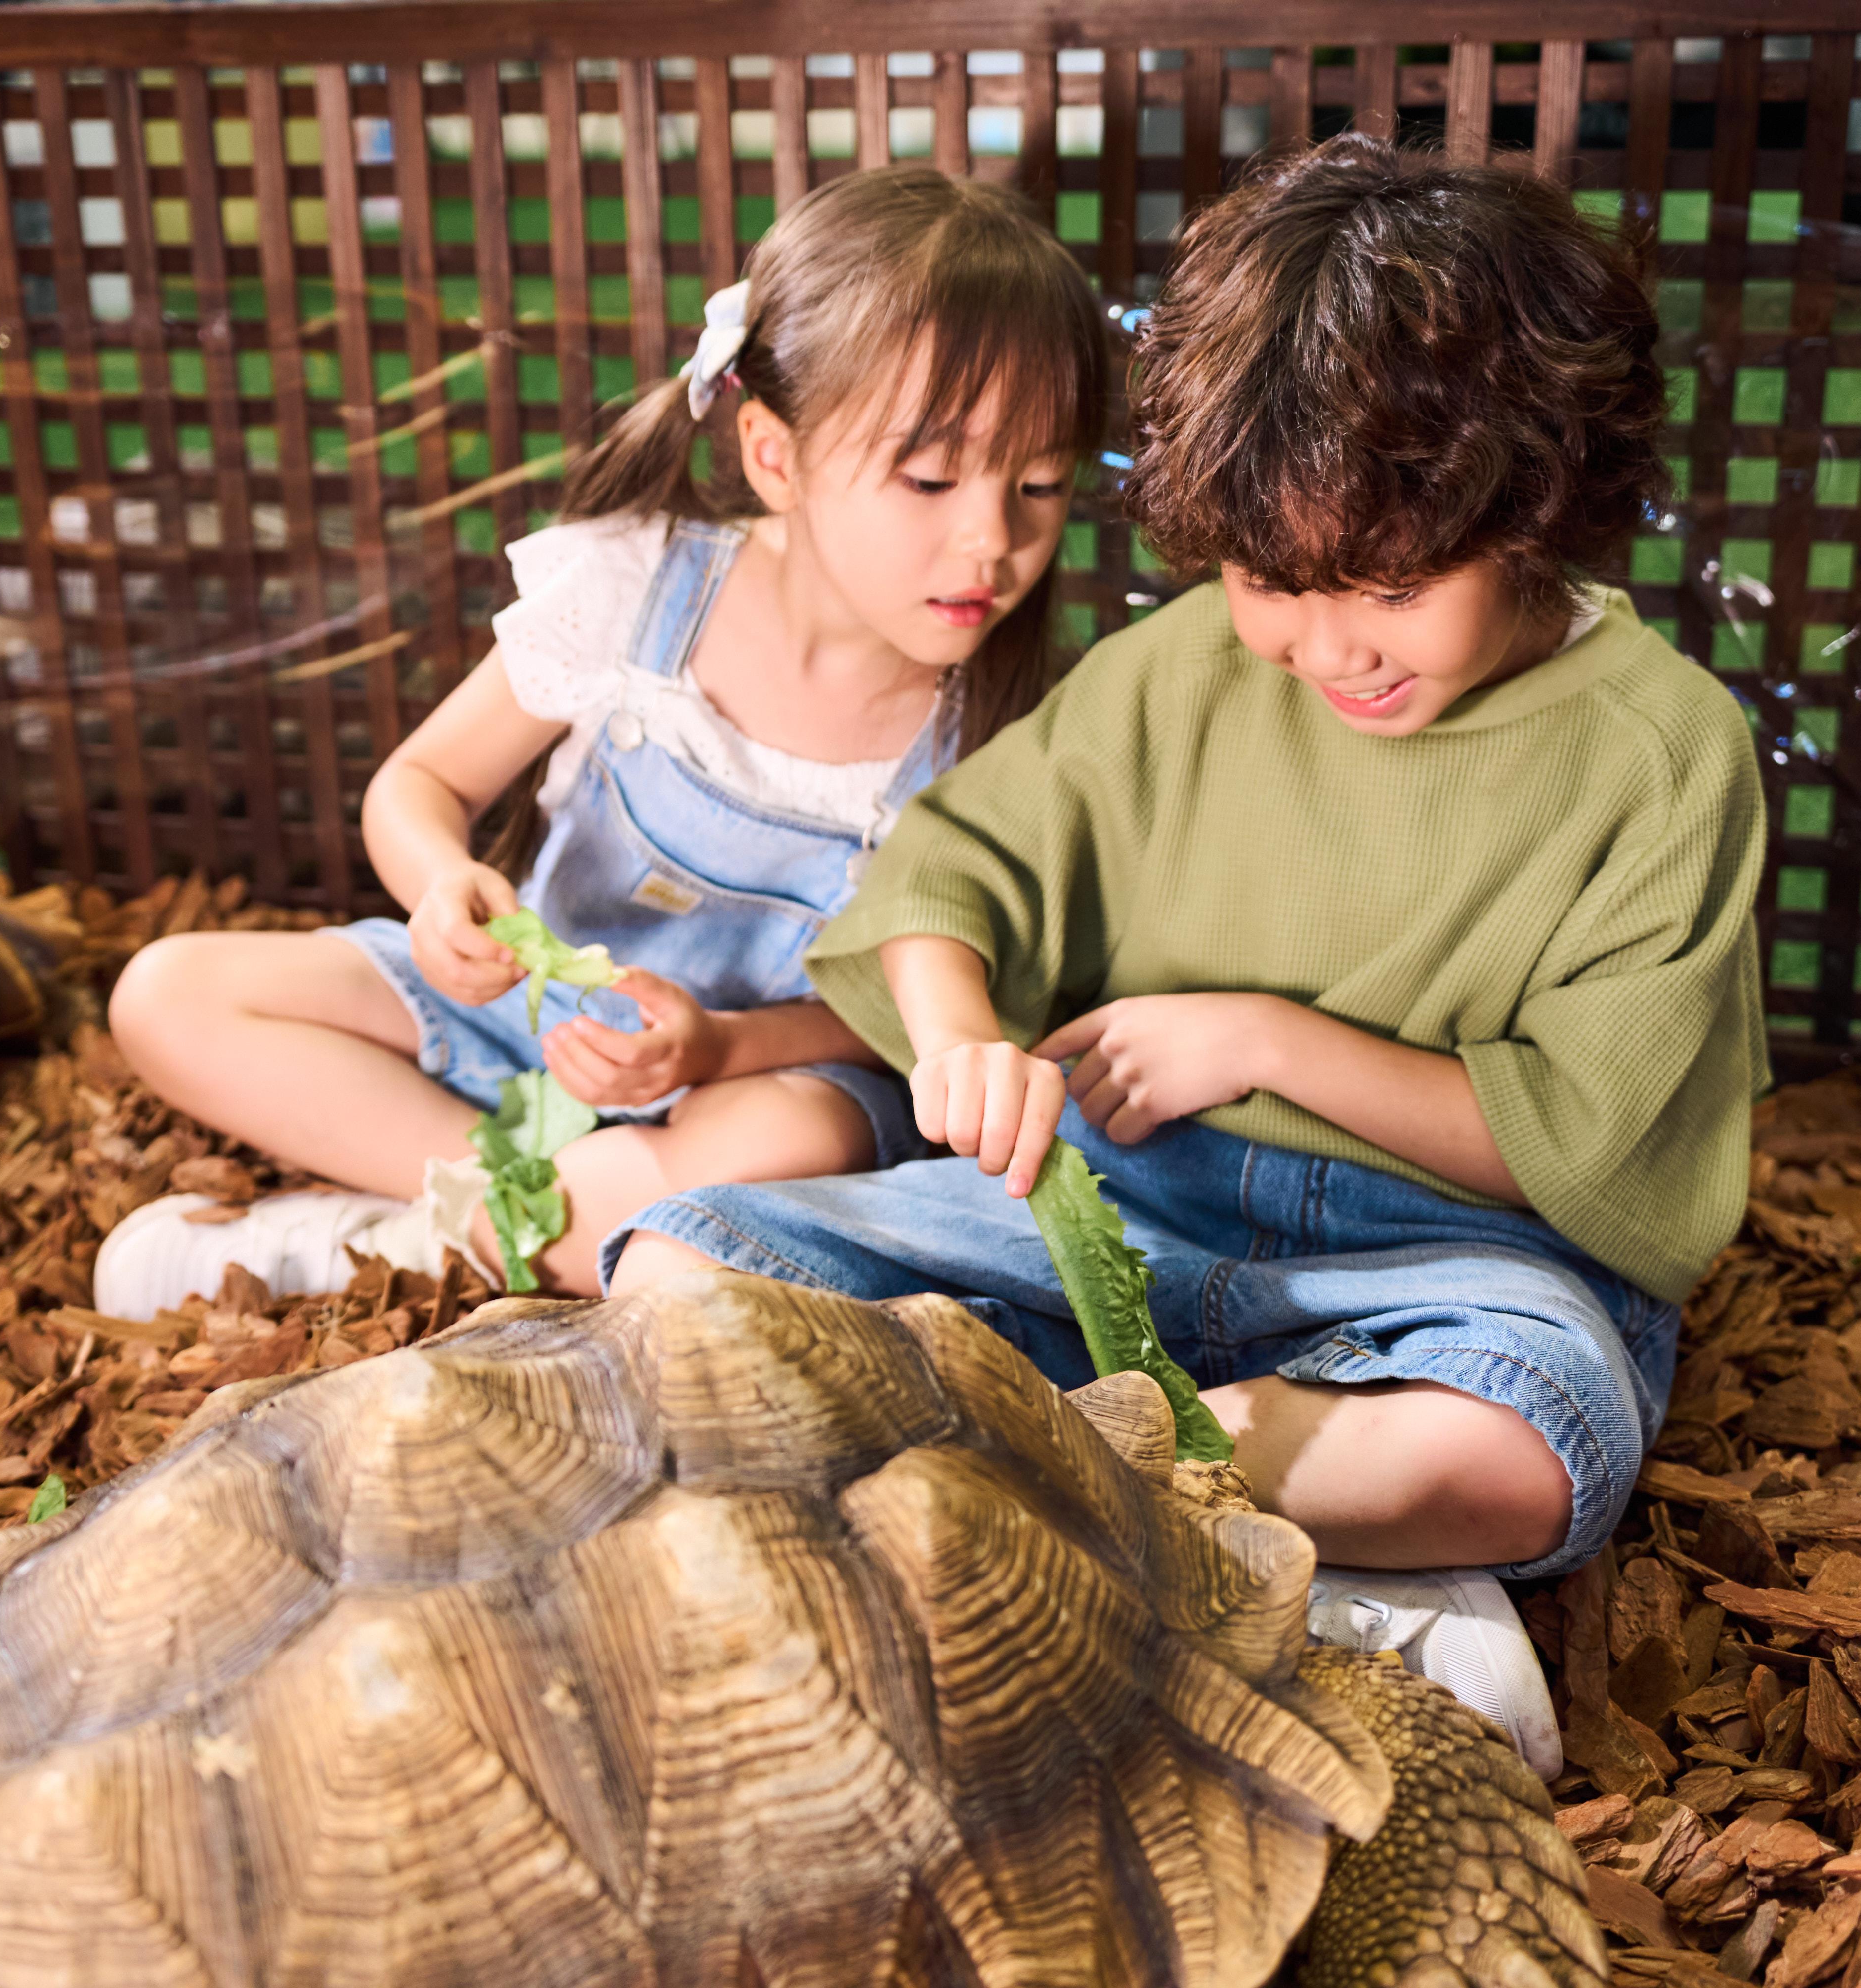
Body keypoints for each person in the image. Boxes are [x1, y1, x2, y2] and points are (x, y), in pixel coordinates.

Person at [605, 135, 1768, 1775]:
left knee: (1516, 1447)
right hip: (1117, 1207)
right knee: (678, 1271)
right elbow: (949, 877)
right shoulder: (1179, 677)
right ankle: (1247, 1536)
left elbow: (1589, 1153)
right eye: (1269, 582)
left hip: (1445, 1260)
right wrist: (959, 1045)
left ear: (1538, 501)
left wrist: (1270, 1041)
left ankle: (1075, 1496)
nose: (1323, 644)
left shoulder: (1661, 751)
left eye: (1386, 585)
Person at [94, 166, 1107, 1309]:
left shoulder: (1003, 730)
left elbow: (917, 1023)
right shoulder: (636, 588)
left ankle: (385, 1245)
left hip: (746, 1078)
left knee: (792, 1141)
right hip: (529, 1023)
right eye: (929, 478)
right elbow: (419, 782)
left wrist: (718, 1049)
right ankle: (509, 1218)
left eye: (1040, 484)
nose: (992, 540)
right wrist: (439, 891)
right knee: (167, 992)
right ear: (776, 456)